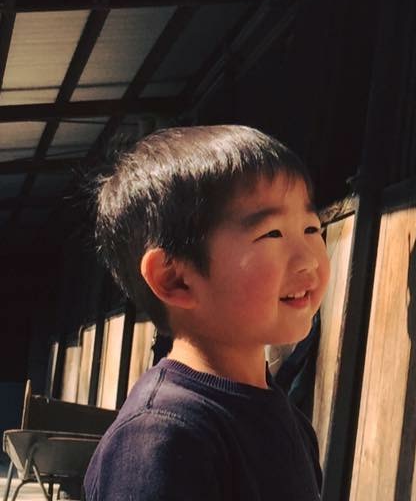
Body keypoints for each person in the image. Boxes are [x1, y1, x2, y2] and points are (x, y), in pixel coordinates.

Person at [84, 125, 330, 501]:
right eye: (273, 234)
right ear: (176, 279)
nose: (309, 260)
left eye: (312, 228)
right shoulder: (160, 436)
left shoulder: (287, 418)